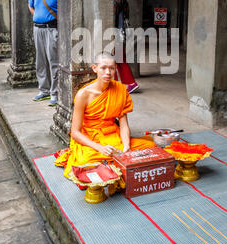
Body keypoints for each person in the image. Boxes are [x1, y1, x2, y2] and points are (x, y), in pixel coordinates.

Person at [54, 52, 156, 181]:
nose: (108, 72)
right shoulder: (83, 95)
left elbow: (123, 124)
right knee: (84, 161)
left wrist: (126, 147)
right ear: (95, 68)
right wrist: (100, 148)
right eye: (103, 68)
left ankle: (112, 165)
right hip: (91, 139)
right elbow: (75, 132)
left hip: (113, 135)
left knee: (151, 147)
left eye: (112, 68)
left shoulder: (120, 89)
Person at [28, 0, 58, 106]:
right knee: (40, 61)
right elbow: (31, 5)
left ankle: (55, 93)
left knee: (53, 61)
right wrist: (36, 16)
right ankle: (44, 90)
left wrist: (48, 17)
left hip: (52, 29)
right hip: (37, 29)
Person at [113, 0, 139, 94]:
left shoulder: (114, 1)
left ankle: (128, 83)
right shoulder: (123, 0)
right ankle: (126, 83)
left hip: (115, 34)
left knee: (116, 60)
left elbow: (113, 20)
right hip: (122, 33)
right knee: (118, 59)